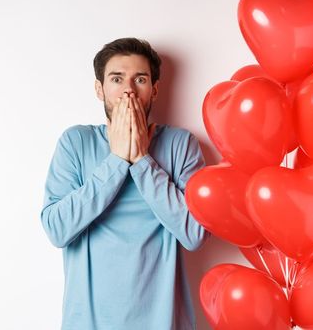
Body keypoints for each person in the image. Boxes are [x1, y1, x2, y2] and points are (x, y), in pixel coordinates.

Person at [40, 37, 209, 329]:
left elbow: (194, 233)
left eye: (139, 79)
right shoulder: (75, 142)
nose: (128, 90)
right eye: (117, 79)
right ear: (99, 88)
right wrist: (117, 161)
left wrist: (142, 161)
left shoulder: (180, 144)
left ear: (154, 90)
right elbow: (57, 229)